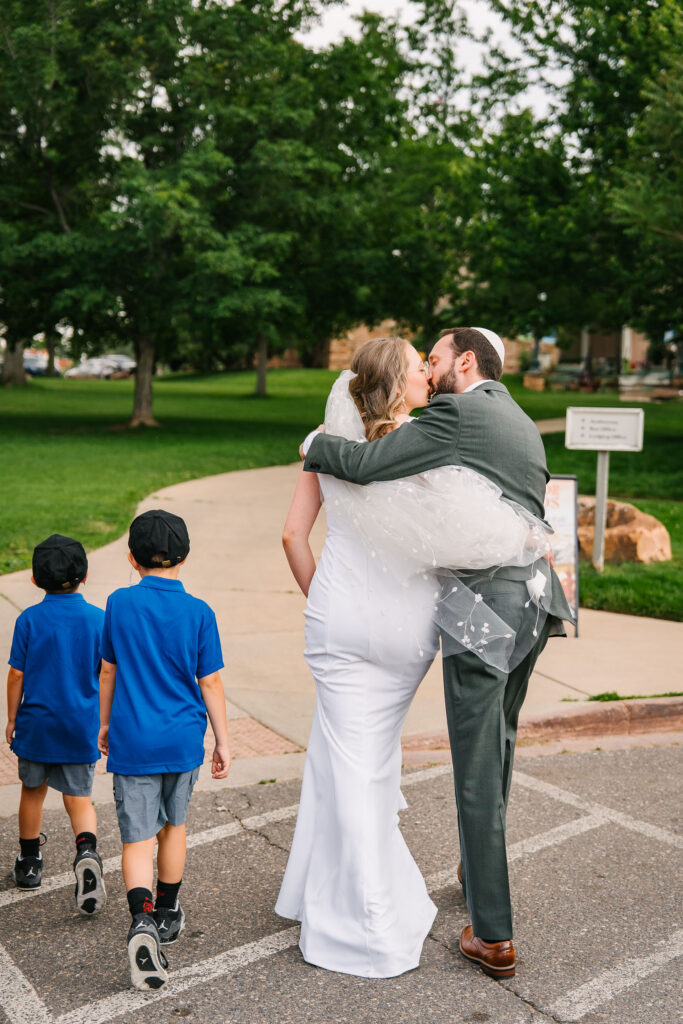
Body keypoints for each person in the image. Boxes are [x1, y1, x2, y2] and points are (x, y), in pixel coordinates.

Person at [275, 334, 558, 979]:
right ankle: (460, 871)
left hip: (447, 612)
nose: (429, 375)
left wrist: (316, 445)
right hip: (517, 605)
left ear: (465, 362)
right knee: (471, 749)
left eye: (434, 361)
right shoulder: (505, 421)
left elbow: (317, 512)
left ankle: (478, 930)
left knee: (452, 762)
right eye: (419, 366)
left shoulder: (442, 420)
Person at [98, 509, 231, 991]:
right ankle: (169, 911)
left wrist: (105, 723)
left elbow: (108, 670)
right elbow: (210, 682)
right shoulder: (200, 612)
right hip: (182, 739)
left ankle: (142, 919)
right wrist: (223, 739)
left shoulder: (118, 603)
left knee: (137, 839)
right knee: (173, 827)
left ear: (131, 559)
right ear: (185, 557)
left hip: (133, 738)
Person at [6, 534, 106, 915]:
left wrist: (12, 718)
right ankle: (86, 852)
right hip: (81, 726)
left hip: (38, 726)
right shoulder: (99, 620)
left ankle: (30, 863)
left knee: (32, 792)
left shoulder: (29, 620)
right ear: (85, 575)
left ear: (35, 579)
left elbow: (17, 674)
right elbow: (107, 674)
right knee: (79, 798)